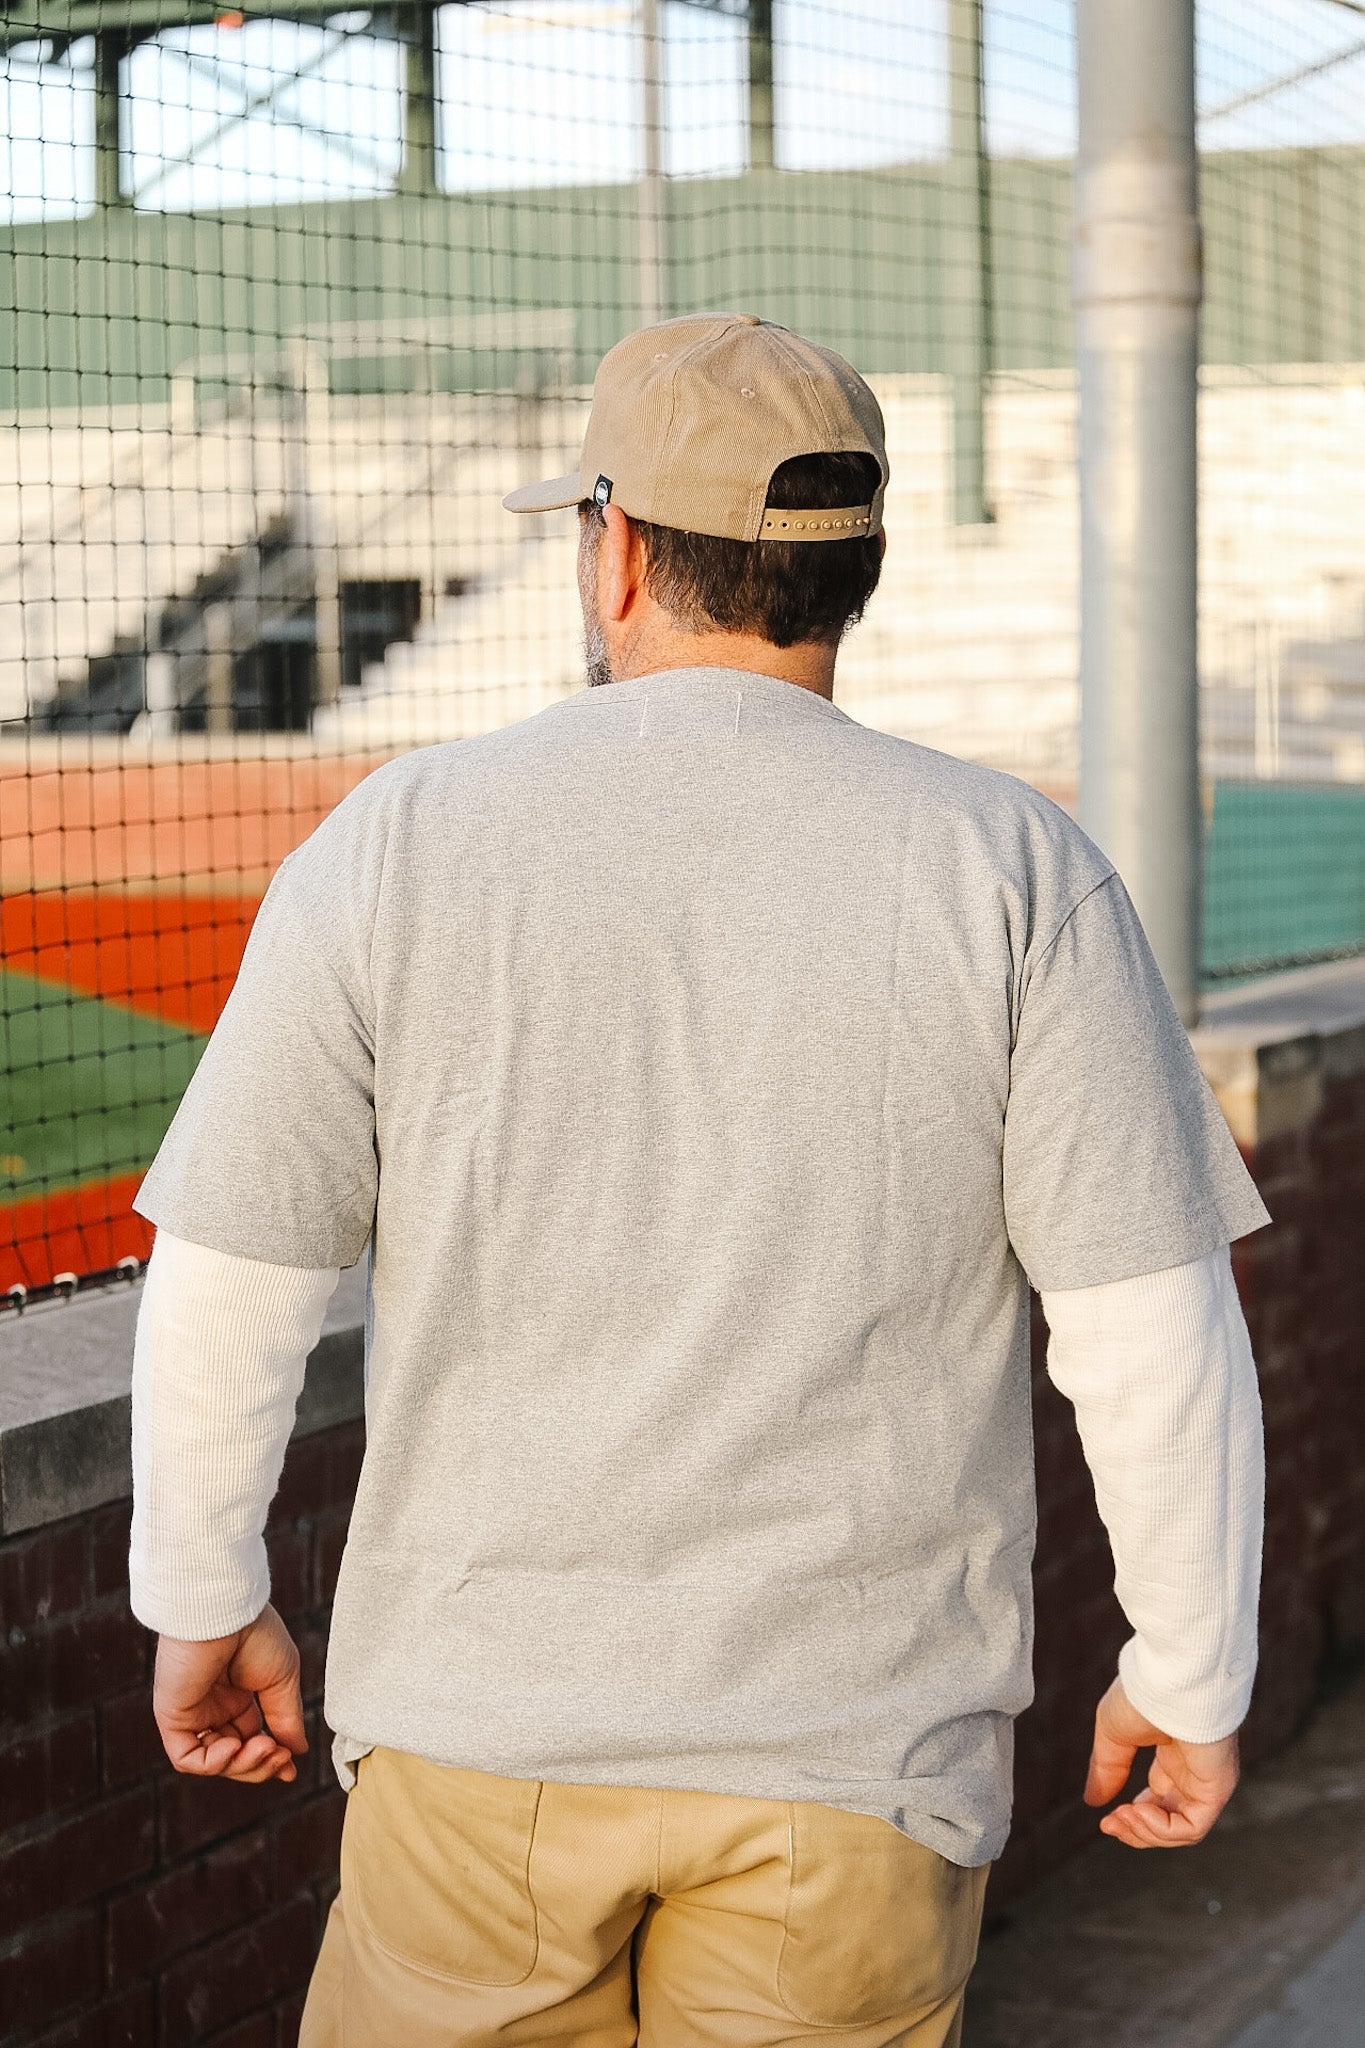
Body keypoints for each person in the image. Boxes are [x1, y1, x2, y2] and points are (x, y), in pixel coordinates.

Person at [130, 314, 1268, 2048]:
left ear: (620, 552)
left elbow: (231, 1278)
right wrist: (1187, 1669)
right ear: (853, 568)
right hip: (858, 1772)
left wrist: (203, 1601)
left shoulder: (397, 839)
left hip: (478, 1747)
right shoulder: (1017, 868)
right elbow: (1150, 1331)